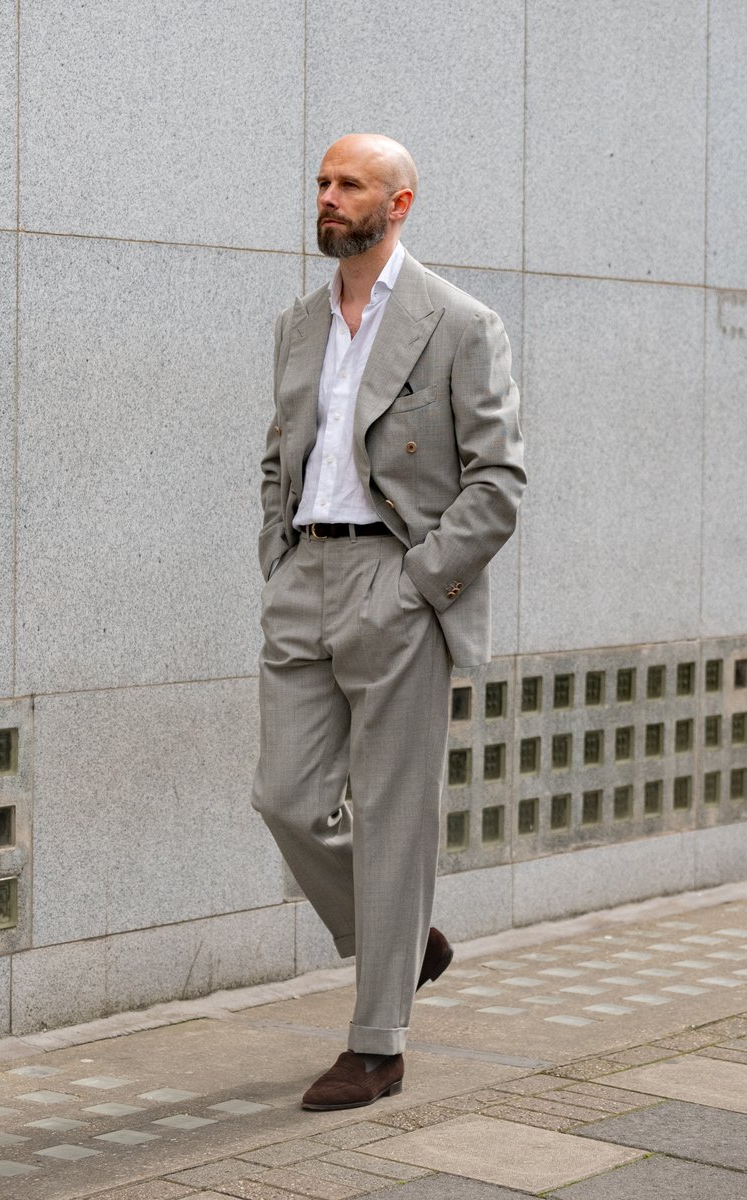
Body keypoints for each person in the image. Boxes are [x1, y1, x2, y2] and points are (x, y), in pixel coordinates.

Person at [252, 133, 526, 1111]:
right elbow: (280, 455)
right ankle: (405, 942)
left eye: (350, 184)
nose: (328, 197)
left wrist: (417, 584)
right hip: (305, 573)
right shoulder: (299, 324)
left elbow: (498, 481)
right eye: (322, 182)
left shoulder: (460, 323)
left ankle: (378, 1046)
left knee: (393, 814)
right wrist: (277, 554)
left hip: (396, 576)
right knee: (285, 798)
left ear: (398, 204)